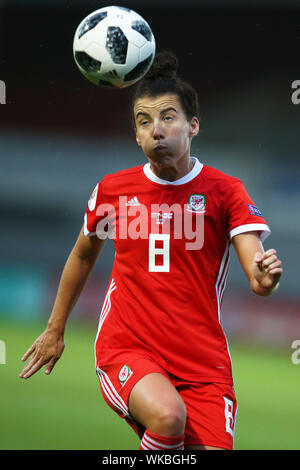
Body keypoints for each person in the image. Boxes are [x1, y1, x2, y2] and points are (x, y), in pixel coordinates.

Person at [19, 51, 283, 451]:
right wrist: (55, 330)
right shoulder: (113, 190)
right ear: (136, 136)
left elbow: (258, 278)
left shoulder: (225, 191)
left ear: (193, 126)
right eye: (144, 122)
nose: (156, 130)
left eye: (167, 117)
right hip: (128, 346)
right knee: (168, 416)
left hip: (203, 363)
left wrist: (266, 275)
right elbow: (83, 255)